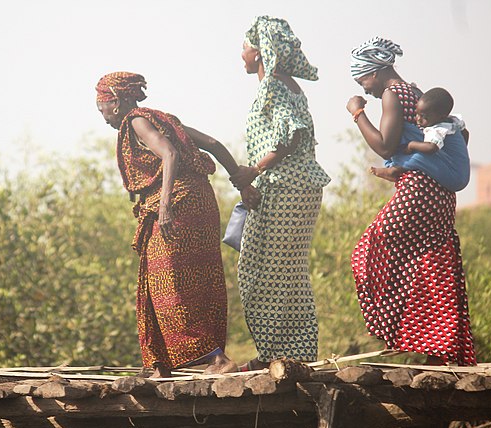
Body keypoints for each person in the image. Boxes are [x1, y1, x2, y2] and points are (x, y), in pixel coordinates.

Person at [95, 72, 240, 378]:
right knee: (193, 281)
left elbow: (169, 153)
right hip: (200, 201)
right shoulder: (163, 119)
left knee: (169, 285)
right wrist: (240, 180)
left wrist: (164, 207)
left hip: (177, 205)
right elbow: (212, 143)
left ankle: (216, 361)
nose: (103, 116)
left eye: (102, 108)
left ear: (117, 103)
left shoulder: (136, 120)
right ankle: (161, 363)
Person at [346, 37, 475, 366]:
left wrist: (358, 112)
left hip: (418, 190)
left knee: (373, 246)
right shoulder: (417, 94)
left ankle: (398, 326)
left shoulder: (393, 94)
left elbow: (386, 147)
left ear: (375, 72)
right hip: (440, 194)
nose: (367, 88)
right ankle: (436, 345)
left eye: (364, 81)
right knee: (430, 262)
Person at [228, 17, 330, 371]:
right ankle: (287, 352)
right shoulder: (286, 86)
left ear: (259, 52)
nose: (241, 54)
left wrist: (253, 171)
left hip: (288, 187)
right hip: (291, 187)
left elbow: (292, 137)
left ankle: (279, 353)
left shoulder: (272, 84)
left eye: (244, 46)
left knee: (259, 270)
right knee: (283, 272)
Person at [370, 87, 471, 192]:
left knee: (420, 157)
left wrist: (411, 145)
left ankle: (395, 170)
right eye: (416, 113)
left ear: (440, 117)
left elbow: (431, 148)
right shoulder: (453, 121)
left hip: (454, 178)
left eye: (423, 116)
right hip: (461, 172)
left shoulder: (438, 129)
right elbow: (466, 134)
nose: (418, 119)